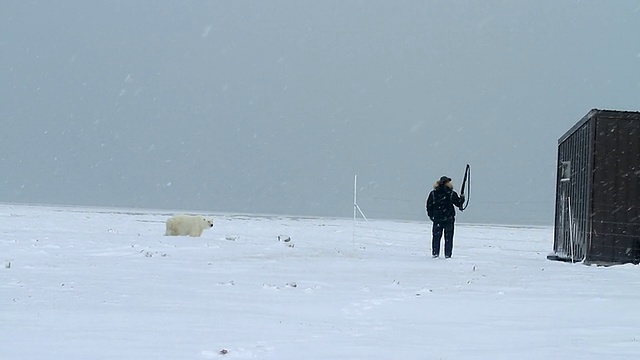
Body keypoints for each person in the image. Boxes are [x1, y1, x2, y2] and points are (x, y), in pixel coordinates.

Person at [426, 176, 465, 258]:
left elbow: (429, 206)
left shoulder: (433, 193)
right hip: (448, 219)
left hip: (437, 219)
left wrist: (432, 216)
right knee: (449, 238)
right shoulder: (451, 193)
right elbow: (458, 204)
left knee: (436, 238)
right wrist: (462, 199)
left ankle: (435, 253)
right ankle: (447, 255)